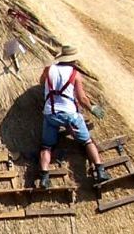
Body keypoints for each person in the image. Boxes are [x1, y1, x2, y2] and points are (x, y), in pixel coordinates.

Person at [39, 44, 109, 188]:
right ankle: (100, 170)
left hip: (50, 114)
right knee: (87, 141)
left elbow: (41, 83)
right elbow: (82, 99)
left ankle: (44, 178)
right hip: (70, 114)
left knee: (46, 146)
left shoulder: (48, 69)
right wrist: (92, 108)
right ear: (73, 60)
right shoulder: (75, 74)